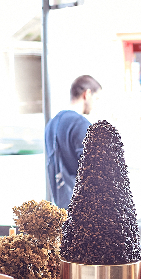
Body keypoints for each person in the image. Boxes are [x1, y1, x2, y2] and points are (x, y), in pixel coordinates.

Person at [45, 75, 102, 209]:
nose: (95, 105)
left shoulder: (52, 125)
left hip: (62, 207)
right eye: (96, 98)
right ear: (87, 94)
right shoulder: (80, 124)